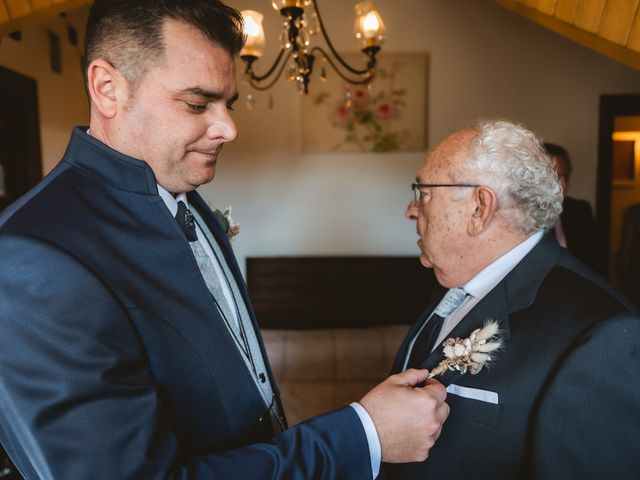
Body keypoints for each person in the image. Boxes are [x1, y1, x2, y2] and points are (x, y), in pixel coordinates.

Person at [0, 1, 450, 478]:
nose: (229, 129)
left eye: (228, 104)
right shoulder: (32, 258)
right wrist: (363, 436)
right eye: (197, 103)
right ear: (107, 88)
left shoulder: (183, 194)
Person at [386, 120, 640, 479]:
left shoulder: (606, 337)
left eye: (423, 193)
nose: (412, 210)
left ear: (479, 208)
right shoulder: (456, 278)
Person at [543, 142, 604, 274]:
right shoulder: (522, 216)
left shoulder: (580, 210)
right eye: (556, 176)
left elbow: (594, 259)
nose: (564, 184)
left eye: (567, 176)